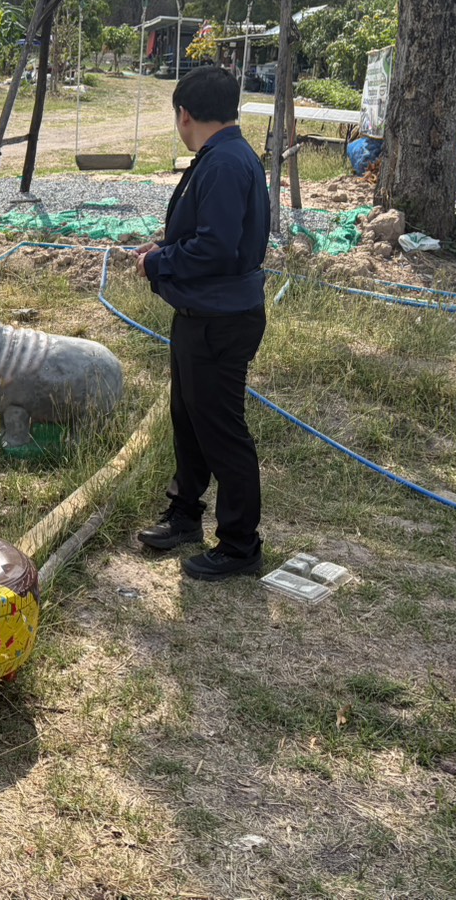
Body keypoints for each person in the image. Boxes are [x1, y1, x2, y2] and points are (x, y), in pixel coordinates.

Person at [133, 66, 269, 580]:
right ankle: (185, 513)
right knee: (189, 419)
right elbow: (208, 236)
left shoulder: (226, 163)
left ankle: (239, 545)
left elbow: (216, 248)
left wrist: (158, 263)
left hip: (221, 319)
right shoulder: (222, 156)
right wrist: (164, 248)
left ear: (184, 114)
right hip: (200, 315)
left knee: (221, 430)